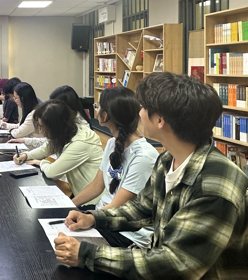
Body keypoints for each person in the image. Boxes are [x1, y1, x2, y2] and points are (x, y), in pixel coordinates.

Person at [55, 73, 248, 279]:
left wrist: (87, 254)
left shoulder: (214, 186)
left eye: (143, 107)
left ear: (160, 120)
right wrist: (93, 218)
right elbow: (143, 209)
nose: (139, 113)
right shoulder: (167, 159)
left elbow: (176, 264)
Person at [70, 86, 159, 248]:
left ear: (106, 115)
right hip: (104, 215)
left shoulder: (144, 156)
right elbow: (97, 185)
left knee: (67, 245)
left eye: (98, 106)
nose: (96, 108)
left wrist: (91, 218)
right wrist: (68, 204)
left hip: (126, 232)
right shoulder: (112, 143)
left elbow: (120, 205)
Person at [13, 100, 103, 201]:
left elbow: (52, 173)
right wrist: (26, 155)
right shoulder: (69, 131)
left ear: (56, 126)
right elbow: (46, 149)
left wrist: (42, 162)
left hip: (93, 201)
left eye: (43, 127)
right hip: (79, 193)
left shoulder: (80, 143)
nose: (42, 132)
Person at [0, 82, 44, 148]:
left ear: (23, 98)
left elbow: (18, 133)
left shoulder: (34, 114)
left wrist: (11, 130)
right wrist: (2, 124)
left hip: (33, 149)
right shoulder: (28, 110)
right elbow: (19, 126)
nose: (15, 101)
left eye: (16, 98)